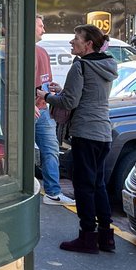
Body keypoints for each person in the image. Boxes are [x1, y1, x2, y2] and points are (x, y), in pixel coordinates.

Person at [38, 24, 118, 254]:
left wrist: (47, 95)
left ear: (88, 44)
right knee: (98, 184)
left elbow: (69, 103)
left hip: (85, 133)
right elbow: (88, 95)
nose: (72, 42)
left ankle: (87, 237)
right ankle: (106, 236)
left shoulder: (81, 65)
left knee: (83, 186)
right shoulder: (106, 65)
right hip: (103, 133)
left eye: (76, 39)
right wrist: (62, 90)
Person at [34, 15, 63, 204]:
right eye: (40, 26)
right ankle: (30, 190)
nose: (43, 29)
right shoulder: (19, 51)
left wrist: (53, 89)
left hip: (42, 108)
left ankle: (53, 192)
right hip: (29, 109)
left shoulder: (42, 52)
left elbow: (44, 82)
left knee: (51, 149)